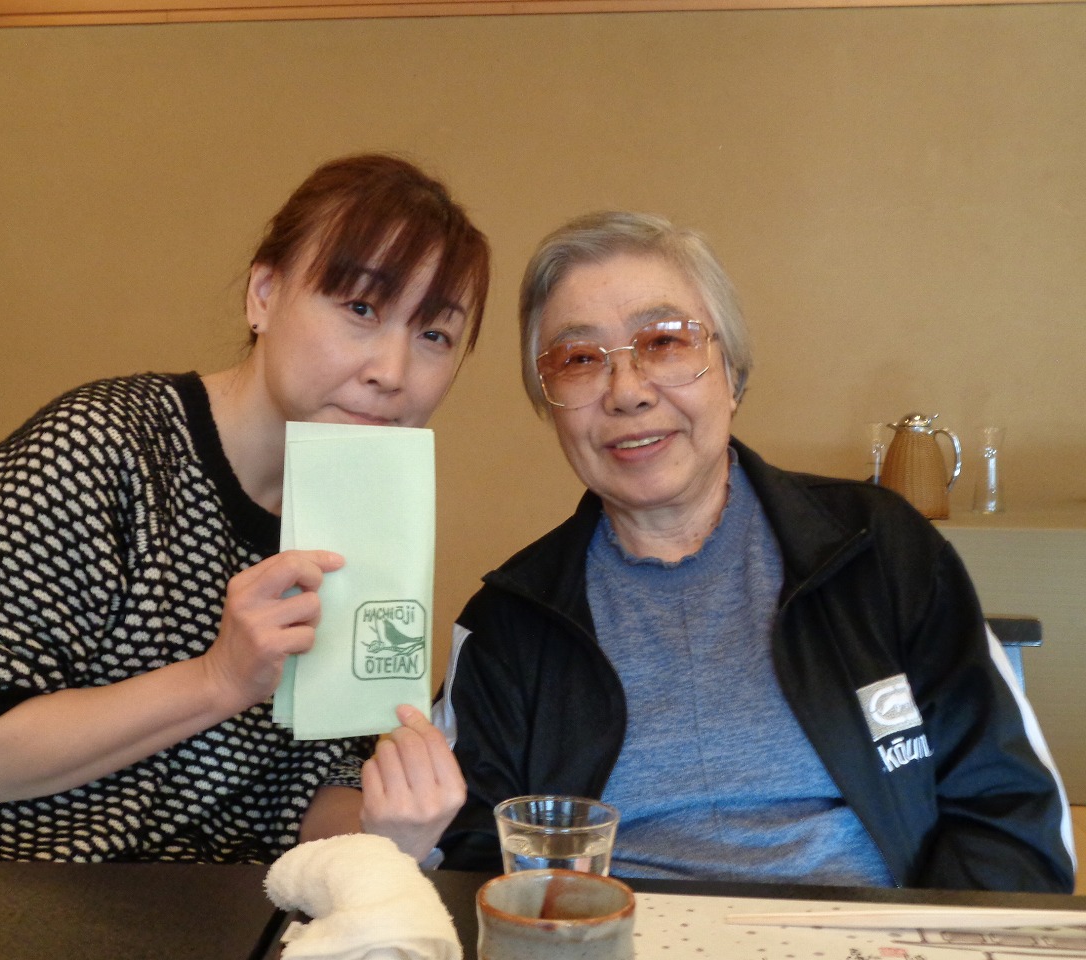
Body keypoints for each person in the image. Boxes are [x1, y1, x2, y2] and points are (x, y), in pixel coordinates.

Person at [0, 153, 482, 863]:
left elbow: (295, 797)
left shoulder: (360, 514)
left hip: (196, 901)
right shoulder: (98, 447)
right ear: (263, 295)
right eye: (360, 309)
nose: (392, 371)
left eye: (433, 334)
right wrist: (217, 679)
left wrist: (391, 834)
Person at [434, 211, 1077, 891]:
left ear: (732, 372)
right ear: (549, 404)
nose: (626, 392)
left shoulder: (877, 549)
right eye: (579, 360)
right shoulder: (510, 622)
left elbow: (1011, 818)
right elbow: (469, 862)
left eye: (664, 341)